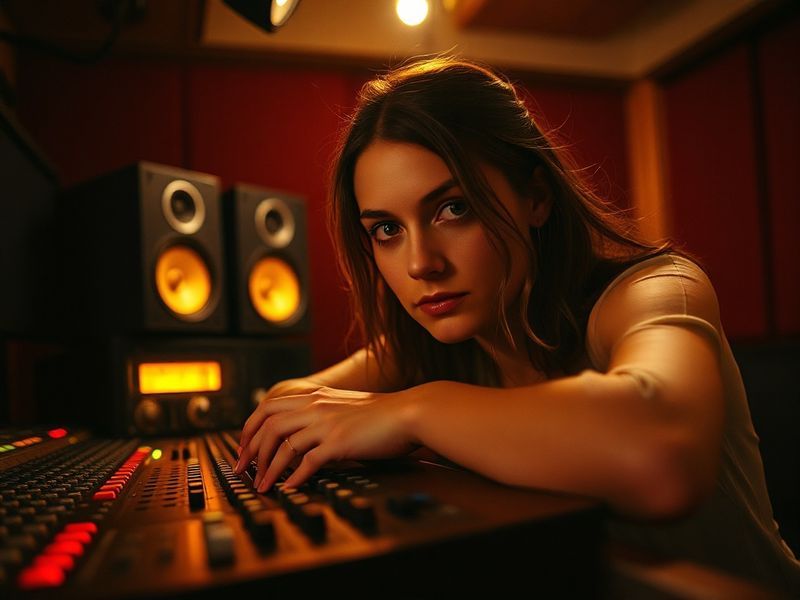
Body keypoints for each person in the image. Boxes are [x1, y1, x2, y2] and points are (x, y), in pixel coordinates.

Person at [235, 55, 800, 593]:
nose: (419, 264)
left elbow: (662, 452)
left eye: (452, 208)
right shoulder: (433, 339)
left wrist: (412, 411)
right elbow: (296, 401)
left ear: (535, 196)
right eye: (387, 230)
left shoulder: (654, 288)